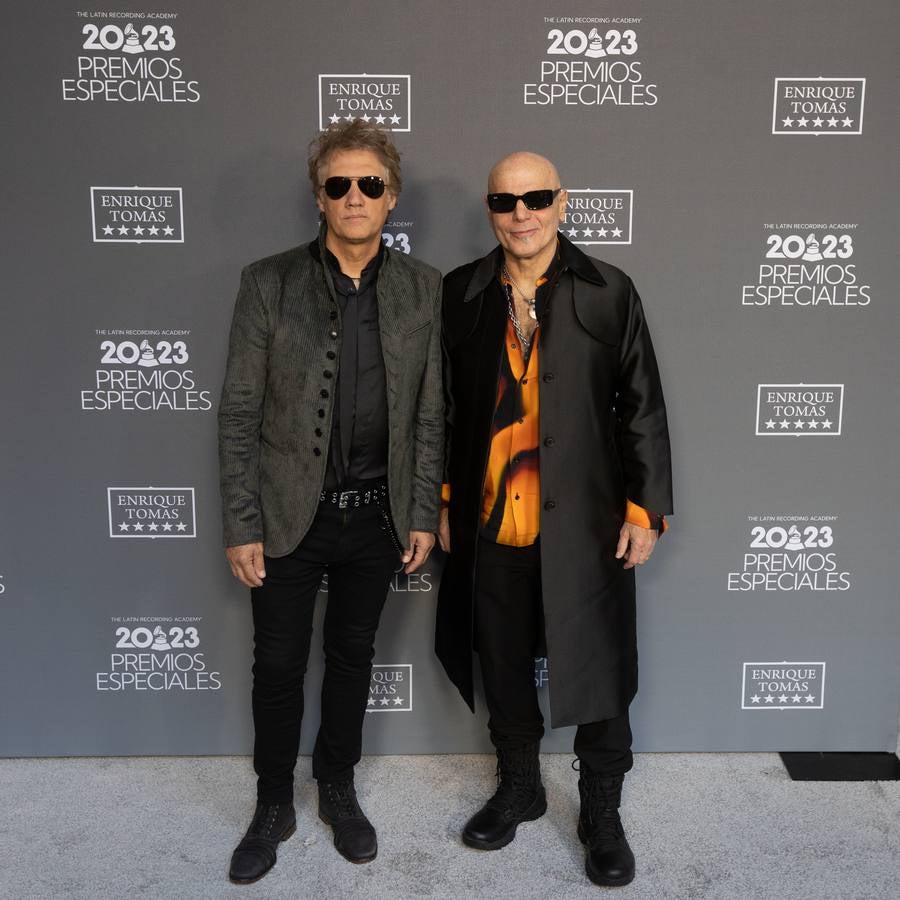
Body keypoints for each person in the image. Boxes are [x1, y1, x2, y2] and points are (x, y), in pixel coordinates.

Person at [436, 151, 672, 887]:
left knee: (600, 667)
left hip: (586, 525)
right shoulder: (462, 294)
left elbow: (643, 406)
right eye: (507, 202)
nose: (523, 213)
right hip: (492, 521)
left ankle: (601, 810)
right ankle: (520, 786)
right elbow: (439, 409)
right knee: (501, 662)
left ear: (562, 202)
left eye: (537, 197)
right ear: (491, 211)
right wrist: (441, 501)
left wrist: (644, 509)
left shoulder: (608, 291)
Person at [218, 120, 443, 883]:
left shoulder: (424, 289)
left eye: (369, 185)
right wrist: (241, 521)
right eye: (339, 184)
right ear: (319, 198)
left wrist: (419, 510)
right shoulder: (267, 282)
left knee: (352, 657)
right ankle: (273, 802)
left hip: (377, 514)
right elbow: (239, 414)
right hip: (287, 512)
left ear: (392, 198)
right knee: (277, 666)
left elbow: (429, 412)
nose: (355, 197)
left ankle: (338, 788)